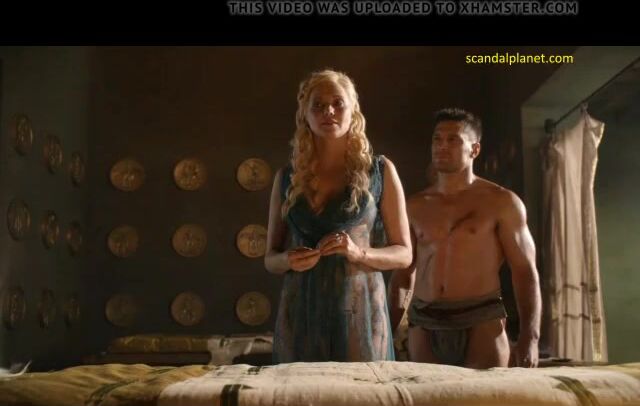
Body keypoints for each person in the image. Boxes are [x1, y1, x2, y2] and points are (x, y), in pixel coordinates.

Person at [265, 69, 412, 363]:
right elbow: (270, 258)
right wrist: (288, 260)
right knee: (301, 388)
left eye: (337, 103)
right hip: (301, 315)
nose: (328, 111)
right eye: (318, 105)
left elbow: (404, 254)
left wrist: (358, 253)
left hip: (361, 315)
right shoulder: (287, 178)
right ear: (305, 114)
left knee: (361, 388)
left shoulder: (380, 171)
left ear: (352, 110)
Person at [388, 108, 541, 368]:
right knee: (426, 390)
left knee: (485, 390)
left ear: (474, 149)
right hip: (426, 319)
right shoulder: (414, 206)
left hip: (481, 318)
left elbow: (525, 271)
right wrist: (388, 330)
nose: (442, 146)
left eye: (453, 140)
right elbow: (403, 275)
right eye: (437, 139)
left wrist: (530, 336)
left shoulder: (502, 202)